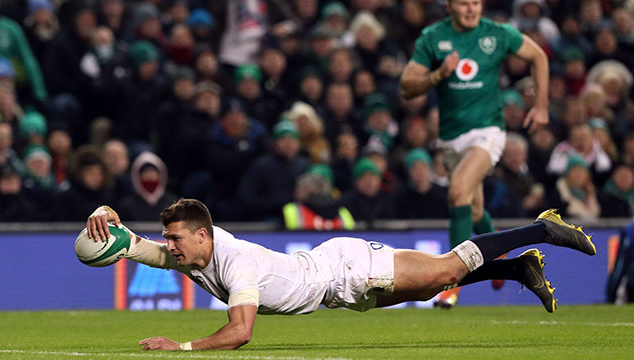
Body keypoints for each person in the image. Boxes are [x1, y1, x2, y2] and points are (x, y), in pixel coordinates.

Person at [85, 198, 596, 351]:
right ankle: (520, 266)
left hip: (344, 269)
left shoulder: (234, 261)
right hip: (337, 292)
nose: (170, 247)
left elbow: (240, 333)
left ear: (203, 234)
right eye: (168, 239)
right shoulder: (190, 254)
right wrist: (110, 218)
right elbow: (134, 246)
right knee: (435, 286)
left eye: (176, 238)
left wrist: (184, 348)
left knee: (444, 268)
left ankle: (540, 229)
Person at [399, 0, 550, 308]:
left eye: (476, 3)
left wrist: (542, 106)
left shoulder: (497, 34)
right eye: (464, 3)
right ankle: (500, 251)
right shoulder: (433, 37)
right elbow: (406, 87)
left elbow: (538, 56)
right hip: (451, 138)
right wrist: (439, 75)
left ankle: (452, 283)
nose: (471, 9)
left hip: (487, 132)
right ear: (449, 6)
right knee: (475, 210)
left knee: (457, 192)